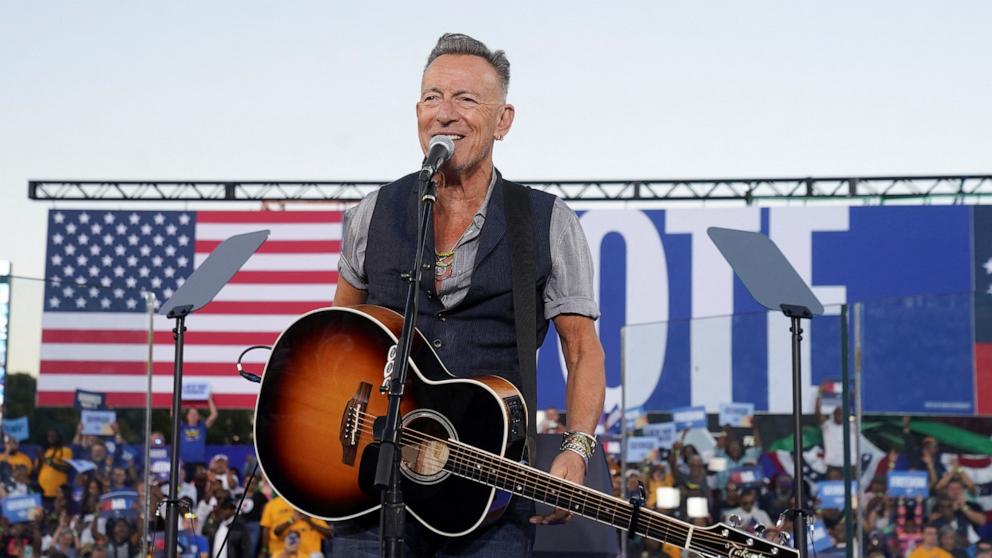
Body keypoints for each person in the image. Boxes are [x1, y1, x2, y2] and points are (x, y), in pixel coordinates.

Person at [332, 32, 606, 556]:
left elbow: (581, 348)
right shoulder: (373, 212)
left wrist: (577, 447)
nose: (445, 113)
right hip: (368, 489)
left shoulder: (548, 221)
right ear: (417, 111)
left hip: (490, 499)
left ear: (503, 120)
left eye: (465, 99)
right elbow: (337, 333)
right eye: (433, 97)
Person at [258, 496, 331, 558]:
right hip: (283, 554)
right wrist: (292, 520)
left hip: (310, 555)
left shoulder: (311, 507)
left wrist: (310, 522)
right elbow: (274, 531)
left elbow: (330, 534)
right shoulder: (273, 504)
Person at [179, 396, 218, 482]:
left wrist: (209, 399)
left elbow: (214, 415)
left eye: (195, 414)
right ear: (187, 416)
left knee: (201, 485)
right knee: (185, 485)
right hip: (186, 462)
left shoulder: (202, 427)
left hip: (199, 462)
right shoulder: (182, 427)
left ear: (198, 417)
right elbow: (173, 414)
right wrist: (179, 398)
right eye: (191, 414)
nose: (193, 416)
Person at [36, 429, 74, 502]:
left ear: (59, 437)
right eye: (49, 436)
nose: (51, 438)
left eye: (53, 436)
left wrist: (48, 461)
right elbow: (38, 471)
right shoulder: (46, 451)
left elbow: (66, 468)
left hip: (57, 492)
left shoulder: (66, 450)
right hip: (43, 491)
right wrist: (39, 460)